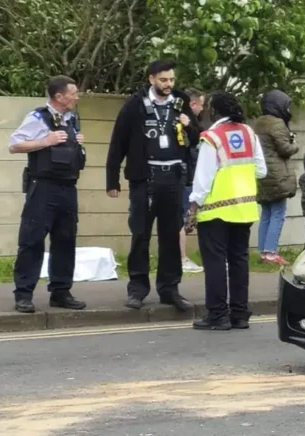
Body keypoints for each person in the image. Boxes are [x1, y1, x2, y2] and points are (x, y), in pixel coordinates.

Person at [106, 59, 198, 311]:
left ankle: (170, 290)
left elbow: (197, 137)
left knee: (171, 236)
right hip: (145, 179)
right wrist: (112, 179)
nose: (169, 84)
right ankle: (137, 289)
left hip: (174, 178)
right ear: (151, 79)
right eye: (164, 80)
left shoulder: (181, 103)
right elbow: (118, 143)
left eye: (171, 80)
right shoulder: (134, 105)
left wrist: (190, 127)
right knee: (140, 235)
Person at [186, 91, 268, 330]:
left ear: (214, 111)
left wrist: (193, 206)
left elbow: (203, 180)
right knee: (239, 261)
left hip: (215, 211)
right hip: (244, 210)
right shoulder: (248, 133)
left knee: (215, 263)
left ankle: (218, 315)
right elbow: (261, 171)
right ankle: (240, 314)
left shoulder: (212, 137)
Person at [8, 76, 88, 313]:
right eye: (73, 93)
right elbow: (14, 144)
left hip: (67, 187)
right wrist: (46, 140)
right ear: (59, 96)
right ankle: (23, 294)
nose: (76, 96)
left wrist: (77, 141)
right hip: (43, 187)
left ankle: (61, 292)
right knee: (32, 240)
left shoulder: (72, 119)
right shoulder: (37, 118)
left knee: (65, 240)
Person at [252, 90, 300, 265]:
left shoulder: (258, 123)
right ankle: (271, 253)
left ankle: (263, 252)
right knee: (278, 214)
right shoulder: (277, 123)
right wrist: (295, 144)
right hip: (277, 175)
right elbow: (285, 149)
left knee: (266, 213)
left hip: (262, 174)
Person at [179, 88, 206, 274]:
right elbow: (191, 145)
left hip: (190, 176)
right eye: (201, 104)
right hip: (186, 176)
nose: (202, 109)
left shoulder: (192, 122)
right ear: (193, 103)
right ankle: (181, 258)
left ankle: (180, 257)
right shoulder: (185, 121)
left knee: (187, 219)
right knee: (182, 219)